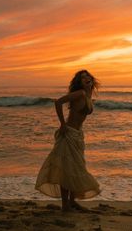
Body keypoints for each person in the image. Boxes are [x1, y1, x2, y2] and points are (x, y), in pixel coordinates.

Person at [35, 70, 101, 212]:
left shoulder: (88, 94)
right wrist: (62, 124)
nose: (86, 78)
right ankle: (66, 206)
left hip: (77, 135)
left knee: (75, 168)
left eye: (87, 76)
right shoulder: (81, 93)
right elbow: (58, 102)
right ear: (80, 82)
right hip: (68, 135)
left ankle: (72, 202)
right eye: (83, 78)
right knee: (66, 170)